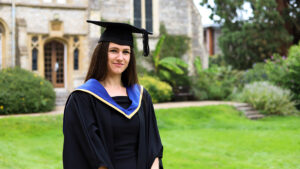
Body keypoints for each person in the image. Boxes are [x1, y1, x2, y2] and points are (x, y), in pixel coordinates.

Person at [62, 20, 163, 169]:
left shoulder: (142, 97)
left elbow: (153, 145)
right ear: (102, 53)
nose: (120, 58)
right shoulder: (83, 99)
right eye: (114, 50)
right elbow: (84, 152)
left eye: (126, 52)